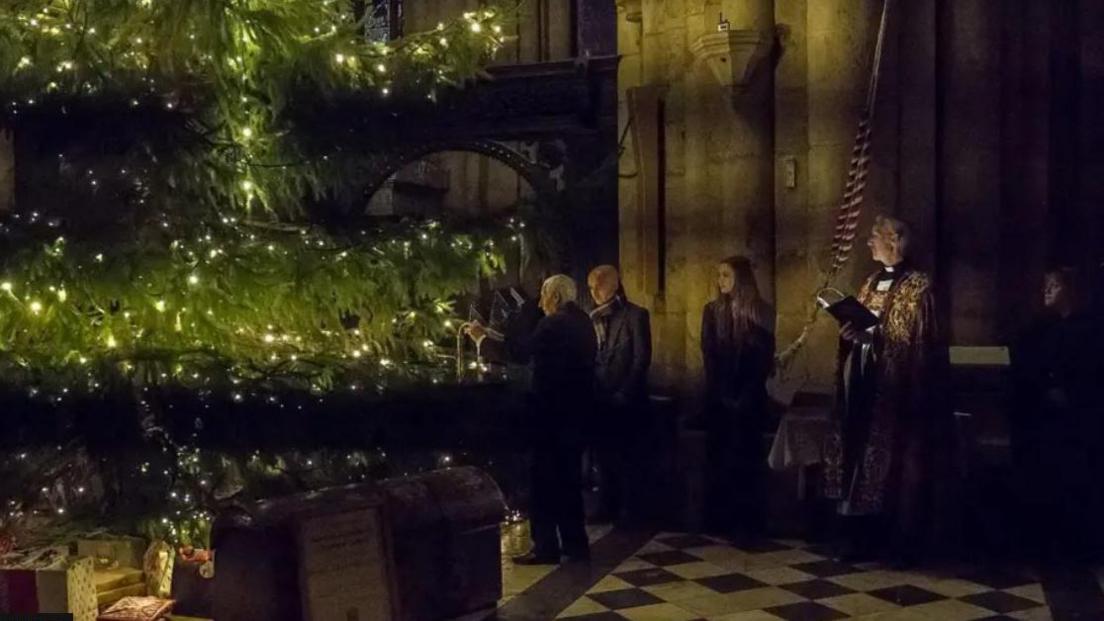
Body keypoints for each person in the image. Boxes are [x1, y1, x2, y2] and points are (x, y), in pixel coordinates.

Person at [823, 215, 947, 565]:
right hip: (861, 380)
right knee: (856, 454)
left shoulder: (919, 286)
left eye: (874, 236)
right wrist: (850, 336)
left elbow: (917, 342)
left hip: (896, 389)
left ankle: (895, 539)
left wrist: (874, 338)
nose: (869, 243)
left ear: (895, 240)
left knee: (892, 461)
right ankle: (856, 536)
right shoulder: (869, 282)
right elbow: (862, 325)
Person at [467, 274, 596, 564]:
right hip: (576, 419)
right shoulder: (582, 322)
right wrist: (494, 333)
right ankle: (576, 544)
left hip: (550, 419)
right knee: (569, 483)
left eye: (544, 295)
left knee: (543, 484)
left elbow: (519, 354)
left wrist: (481, 338)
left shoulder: (553, 323)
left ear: (556, 297)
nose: (540, 301)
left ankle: (546, 547)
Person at [1011, 267, 1104, 560]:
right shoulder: (1045, 327)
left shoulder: (1089, 329)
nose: (1047, 291)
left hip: (1078, 419)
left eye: (1055, 285)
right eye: (1046, 285)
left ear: (1072, 289)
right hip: (1050, 417)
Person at [700, 256, 775, 541]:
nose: (721, 282)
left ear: (740, 279)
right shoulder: (711, 311)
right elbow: (708, 353)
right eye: (719, 276)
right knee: (719, 458)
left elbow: (763, 358)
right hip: (720, 395)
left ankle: (748, 523)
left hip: (749, 396)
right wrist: (720, 391)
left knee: (746, 459)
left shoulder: (760, 312)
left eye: (726, 276)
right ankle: (719, 519)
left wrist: (746, 393)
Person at [587, 265, 652, 524]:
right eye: (590, 287)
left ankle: (630, 509)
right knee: (604, 457)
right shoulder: (593, 318)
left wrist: (625, 391)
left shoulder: (635, 315)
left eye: (599, 285)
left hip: (626, 399)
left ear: (614, 284)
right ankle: (606, 505)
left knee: (627, 457)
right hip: (601, 398)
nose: (594, 292)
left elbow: (641, 358)